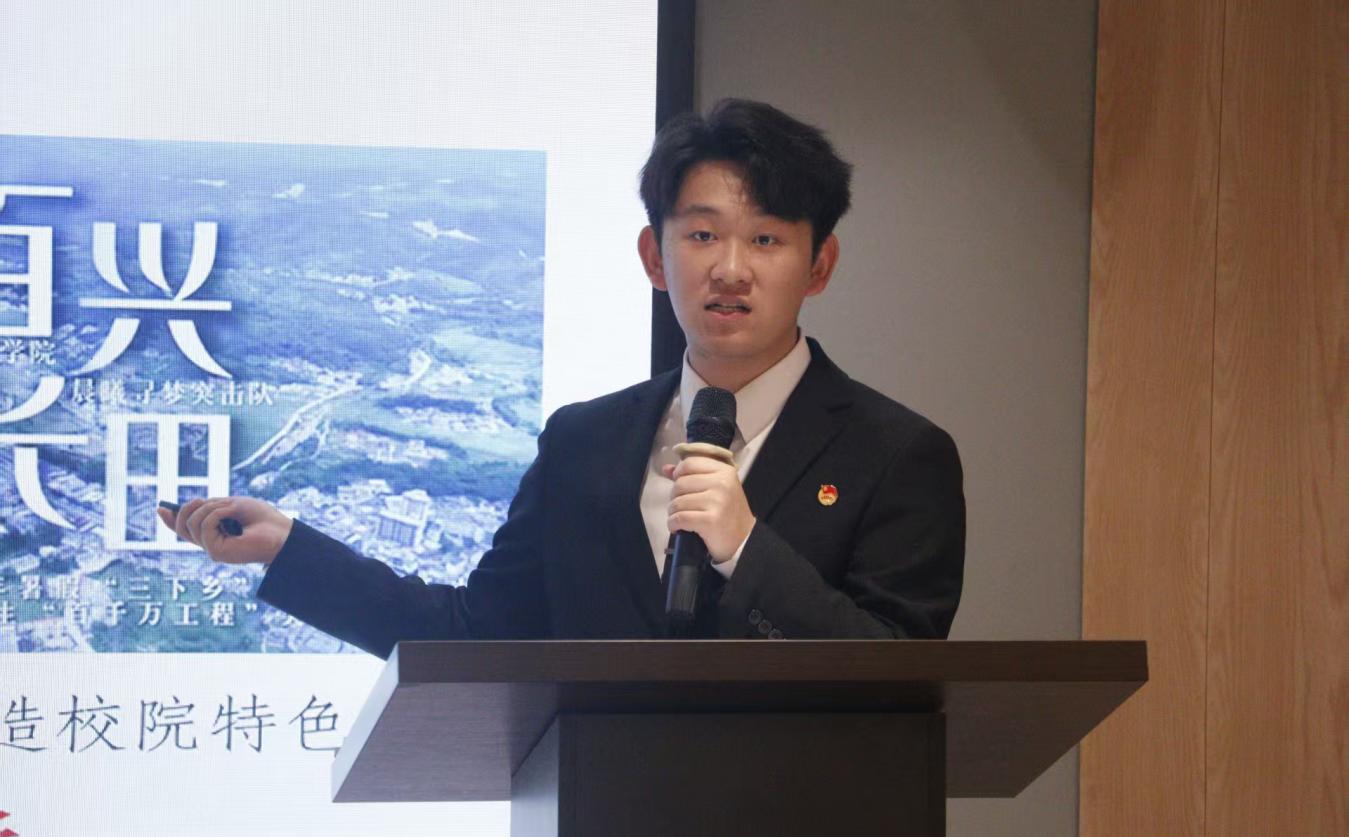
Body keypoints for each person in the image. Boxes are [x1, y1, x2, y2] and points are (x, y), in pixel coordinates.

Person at [159, 98, 966, 657]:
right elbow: (480, 633)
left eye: (765, 240)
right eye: (701, 235)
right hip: (602, 827)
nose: (729, 269)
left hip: (803, 836)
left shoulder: (895, 454)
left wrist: (746, 550)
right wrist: (291, 551)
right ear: (654, 258)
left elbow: (901, 673)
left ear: (818, 265)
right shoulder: (586, 440)